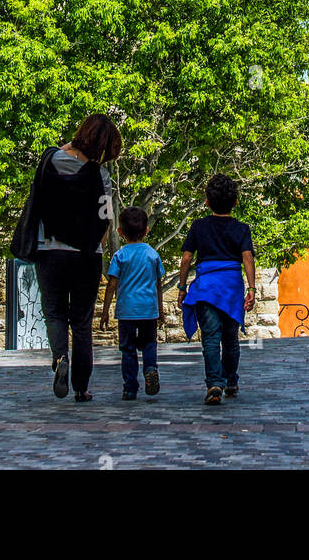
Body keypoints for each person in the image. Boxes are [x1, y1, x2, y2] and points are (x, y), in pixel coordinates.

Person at [33, 113, 122, 402]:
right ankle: (82, 388)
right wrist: (94, 247)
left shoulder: (50, 161)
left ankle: (60, 358)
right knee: (81, 322)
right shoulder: (101, 177)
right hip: (86, 256)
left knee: (54, 313)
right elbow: (104, 219)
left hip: (50, 251)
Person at [177, 174, 256, 405]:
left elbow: (186, 258)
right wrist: (251, 288)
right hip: (231, 288)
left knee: (210, 337)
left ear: (207, 201)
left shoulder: (198, 226)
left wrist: (182, 287)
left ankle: (214, 383)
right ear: (235, 202)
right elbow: (247, 258)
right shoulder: (242, 229)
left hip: (206, 289)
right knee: (230, 338)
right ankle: (231, 380)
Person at [99, 206, 164, 401]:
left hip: (126, 310)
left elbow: (112, 284)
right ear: (146, 230)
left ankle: (130, 387)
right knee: (150, 343)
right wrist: (160, 310)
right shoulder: (152, 255)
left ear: (120, 232)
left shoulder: (120, 255)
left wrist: (105, 311)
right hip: (148, 309)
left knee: (127, 349)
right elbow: (158, 284)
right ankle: (151, 368)